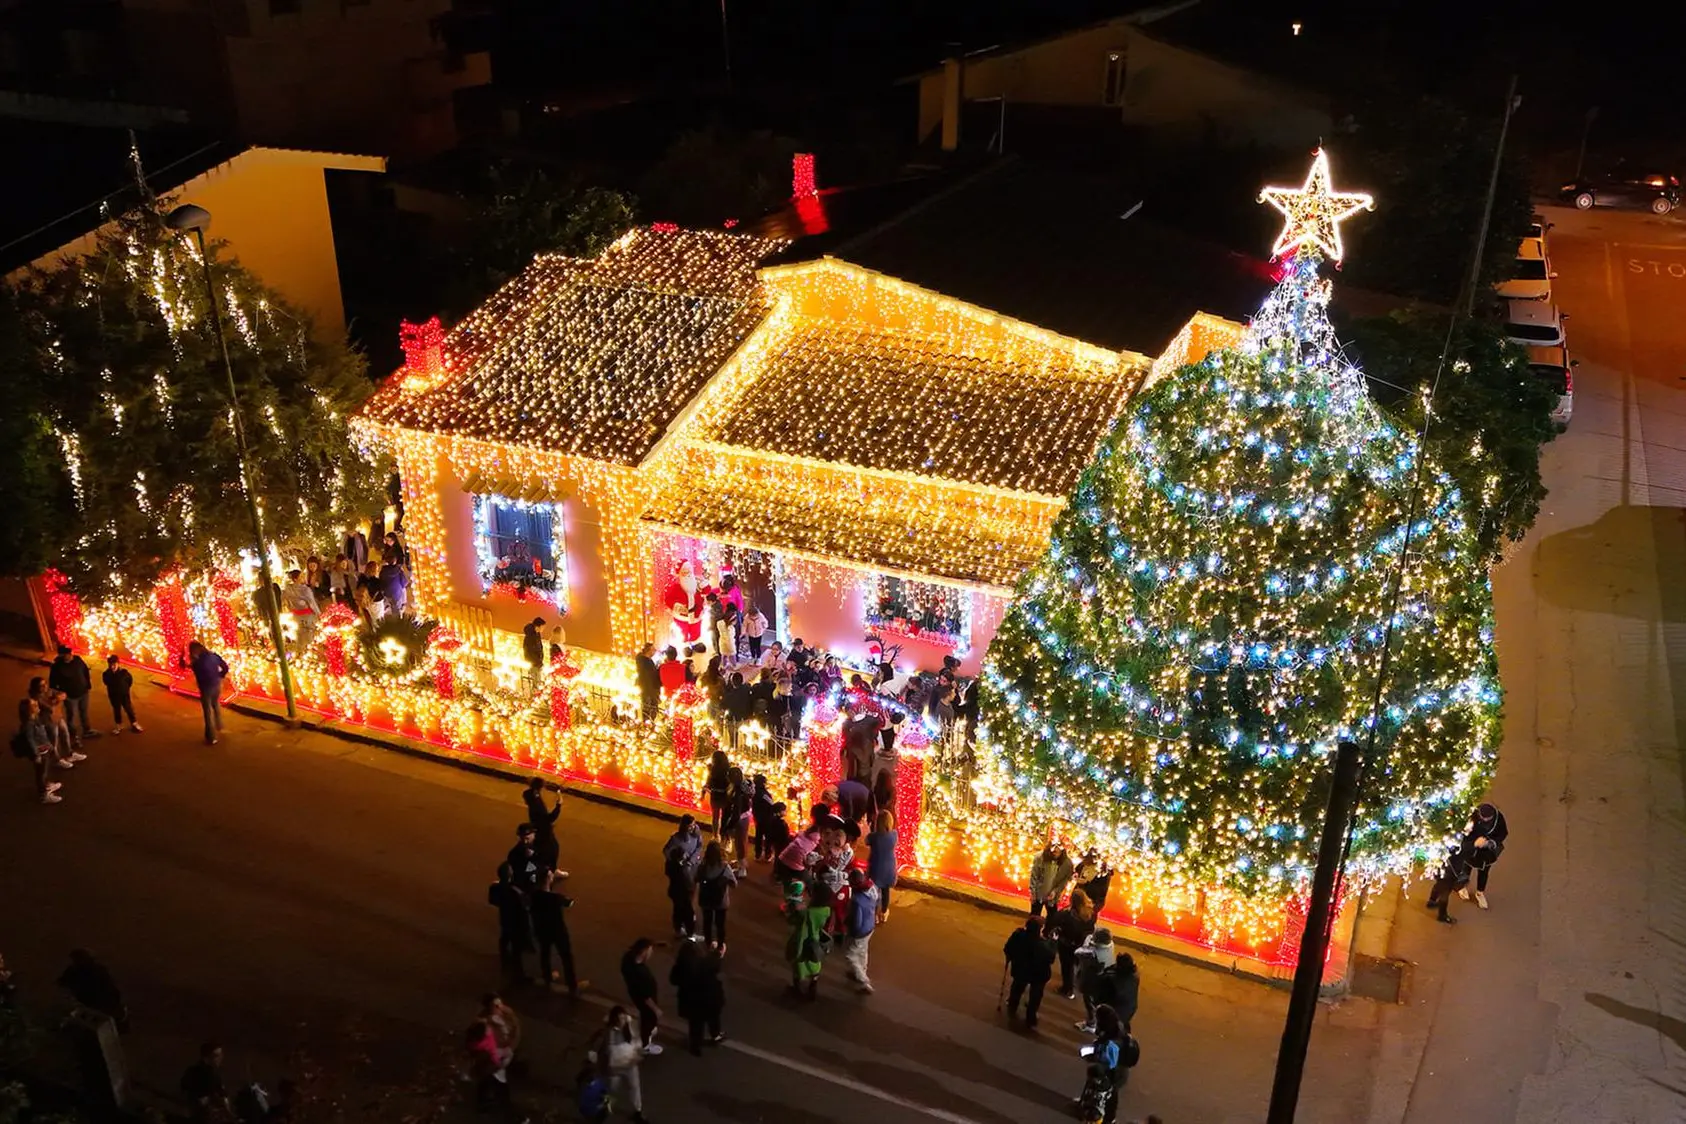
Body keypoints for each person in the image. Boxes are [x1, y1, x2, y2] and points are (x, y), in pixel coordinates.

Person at [588, 1007, 649, 1123]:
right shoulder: (609, 1031)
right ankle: (603, 1111)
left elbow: (637, 1044)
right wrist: (594, 1057)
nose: (622, 1021)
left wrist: (639, 1054)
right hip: (615, 1068)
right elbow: (601, 1045)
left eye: (623, 1018)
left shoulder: (631, 1029)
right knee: (612, 1090)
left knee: (635, 1088)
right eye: (619, 1018)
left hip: (630, 1065)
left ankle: (638, 1111)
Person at [669, 938, 726, 1055]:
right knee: (713, 1018)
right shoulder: (704, 963)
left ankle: (695, 1047)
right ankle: (716, 1036)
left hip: (691, 1001)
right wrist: (717, 952)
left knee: (695, 1026)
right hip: (710, 998)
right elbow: (716, 963)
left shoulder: (680, 967)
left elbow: (673, 980)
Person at [1003, 915, 1057, 1028]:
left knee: (1017, 988)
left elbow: (1008, 948)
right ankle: (1031, 1016)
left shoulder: (1018, 935)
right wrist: (1053, 942)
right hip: (1037, 975)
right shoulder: (1042, 945)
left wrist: (1011, 958)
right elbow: (1051, 958)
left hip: (1020, 970)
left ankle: (1013, 1005)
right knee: (1035, 995)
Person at [530, 869, 579, 995]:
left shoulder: (534, 896)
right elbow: (570, 903)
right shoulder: (555, 898)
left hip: (542, 930)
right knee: (566, 956)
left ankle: (547, 977)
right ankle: (572, 985)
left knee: (545, 953)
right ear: (548, 879)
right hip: (558, 931)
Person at [783, 881, 833, 1000]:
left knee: (799, 965)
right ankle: (812, 989)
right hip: (815, 941)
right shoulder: (826, 910)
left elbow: (791, 920)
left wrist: (794, 908)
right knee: (814, 965)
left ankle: (798, 990)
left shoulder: (806, 913)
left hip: (802, 941)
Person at [1456, 802, 1509, 910]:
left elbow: (1503, 833)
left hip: (1486, 852)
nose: (1485, 820)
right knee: (1466, 868)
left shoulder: (1498, 818)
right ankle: (1462, 887)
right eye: (1483, 818)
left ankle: (1480, 892)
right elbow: (1464, 836)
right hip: (1471, 850)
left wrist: (1491, 842)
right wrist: (1474, 843)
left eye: (1488, 818)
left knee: (1484, 872)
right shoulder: (1471, 817)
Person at [488, 862, 532, 983]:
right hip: (516, 922)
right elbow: (526, 906)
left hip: (505, 918)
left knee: (505, 938)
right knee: (516, 949)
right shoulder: (515, 891)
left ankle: (504, 956)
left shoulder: (495, 887)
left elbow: (493, 901)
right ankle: (519, 976)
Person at [619, 939, 664, 1055]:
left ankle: (646, 1034)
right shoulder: (641, 974)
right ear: (643, 951)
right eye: (650, 950)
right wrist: (656, 1010)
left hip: (635, 995)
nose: (651, 953)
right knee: (649, 1019)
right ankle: (646, 1045)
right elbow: (646, 997)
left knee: (646, 1015)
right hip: (645, 1000)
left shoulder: (628, 960)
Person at [1053, 888, 1097, 999]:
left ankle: (1067, 989)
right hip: (1080, 945)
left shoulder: (1069, 915)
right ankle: (1074, 984)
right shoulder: (1090, 912)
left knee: (1066, 967)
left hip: (1067, 945)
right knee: (1074, 965)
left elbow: (1057, 922)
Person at [662, 815, 703, 937]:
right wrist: (678, 861)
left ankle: (688, 918)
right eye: (690, 826)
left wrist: (692, 859)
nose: (692, 827)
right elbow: (666, 851)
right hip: (682, 873)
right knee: (681, 901)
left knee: (691, 894)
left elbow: (699, 846)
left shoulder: (696, 834)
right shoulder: (676, 839)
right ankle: (680, 926)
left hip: (693, 869)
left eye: (693, 825)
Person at [49, 645, 95, 746]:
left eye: (70, 654)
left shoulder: (77, 660)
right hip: (70, 697)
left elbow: (85, 671)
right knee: (72, 717)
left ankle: (87, 731)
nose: (70, 656)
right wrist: (59, 693)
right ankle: (74, 738)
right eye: (67, 655)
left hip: (83, 692)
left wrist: (88, 685)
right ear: (62, 655)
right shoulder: (57, 666)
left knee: (84, 712)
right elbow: (52, 683)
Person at [1075, 929, 1120, 1032]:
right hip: (1103, 979)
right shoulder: (1110, 945)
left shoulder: (1093, 954)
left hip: (1091, 982)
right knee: (1096, 1001)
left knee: (1089, 1002)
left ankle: (1092, 1023)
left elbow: (1078, 952)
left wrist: (1089, 942)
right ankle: (1096, 1020)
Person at [843, 868, 879, 994]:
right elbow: (878, 902)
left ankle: (863, 980)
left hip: (860, 930)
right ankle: (861, 970)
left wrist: (852, 931)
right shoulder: (872, 887)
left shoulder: (857, 900)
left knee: (850, 955)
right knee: (863, 952)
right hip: (870, 926)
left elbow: (856, 921)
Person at [695, 841, 737, 949]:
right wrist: (724, 881)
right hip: (721, 902)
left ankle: (708, 943)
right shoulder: (724, 867)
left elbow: (696, 879)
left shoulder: (703, 866)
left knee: (707, 922)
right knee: (720, 924)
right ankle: (720, 946)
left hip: (706, 900)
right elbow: (734, 884)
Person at [188, 641, 229, 745]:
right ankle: (219, 725)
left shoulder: (198, 663)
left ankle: (211, 736)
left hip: (206, 688)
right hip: (216, 684)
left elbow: (194, 669)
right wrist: (220, 675)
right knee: (215, 705)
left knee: (207, 711)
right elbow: (225, 667)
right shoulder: (213, 656)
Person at [181, 1042, 230, 1123]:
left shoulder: (213, 1073)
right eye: (216, 1056)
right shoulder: (197, 1073)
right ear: (206, 1057)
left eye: (221, 1055)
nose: (220, 1059)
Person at [522, 777, 563, 871]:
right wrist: (559, 805)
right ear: (540, 788)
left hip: (536, 827)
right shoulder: (537, 805)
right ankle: (547, 871)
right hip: (543, 830)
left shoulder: (529, 793)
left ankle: (541, 869)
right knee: (552, 850)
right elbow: (550, 818)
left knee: (543, 850)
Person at [865, 810, 898, 923]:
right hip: (889, 867)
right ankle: (884, 912)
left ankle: (874, 914)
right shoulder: (894, 835)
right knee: (885, 891)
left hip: (876, 866)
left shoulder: (874, 837)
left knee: (874, 891)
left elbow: (866, 841)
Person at [1029, 840, 1075, 916]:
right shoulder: (1040, 858)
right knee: (1034, 916)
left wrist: (1056, 891)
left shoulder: (1067, 863)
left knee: (1052, 917)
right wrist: (1033, 892)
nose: (1055, 852)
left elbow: (1064, 880)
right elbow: (1034, 875)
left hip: (1053, 897)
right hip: (1038, 893)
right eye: (1054, 851)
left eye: (1058, 851)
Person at [102, 654, 142, 734]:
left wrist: (125, 690)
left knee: (129, 709)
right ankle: (119, 725)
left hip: (124, 695)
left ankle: (134, 723)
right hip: (114, 696)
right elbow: (106, 682)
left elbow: (130, 681)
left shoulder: (124, 673)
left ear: (118, 664)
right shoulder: (106, 674)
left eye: (114, 665)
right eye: (110, 665)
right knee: (116, 710)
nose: (112, 667)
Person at [507, 823, 545, 894]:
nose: (525, 841)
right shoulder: (514, 853)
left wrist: (534, 856)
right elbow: (517, 872)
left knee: (549, 874)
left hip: (539, 872)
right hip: (526, 880)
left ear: (534, 834)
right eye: (522, 839)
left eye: (527, 838)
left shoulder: (541, 845)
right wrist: (529, 859)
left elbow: (546, 861)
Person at [704, 750, 731, 837]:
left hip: (715, 795)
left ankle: (715, 835)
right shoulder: (728, 769)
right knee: (725, 817)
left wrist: (706, 790)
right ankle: (725, 836)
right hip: (725, 796)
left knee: (715, 817)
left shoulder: (712, 769)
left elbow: (708, 783)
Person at [635, 644, 661, 721]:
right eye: (653, 649)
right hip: (649, 691)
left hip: (648, 690)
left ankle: (647, 726)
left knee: (648, 711)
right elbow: (650, 677)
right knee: (649, 711)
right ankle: (648, 726)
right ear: (648, 651)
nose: (655, 651)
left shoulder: (644, 661)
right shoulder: (646, 663)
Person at [522, 618, 545, 693]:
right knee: (536, 683)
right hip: (534, 663)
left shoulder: (537, 634)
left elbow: (539, 647)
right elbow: (529, 651)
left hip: (538, 662)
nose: (543, 629)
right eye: (542, 627)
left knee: (538, 681)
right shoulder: (530, 637)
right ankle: (535, 698)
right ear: (537, 626)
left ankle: (536, 697)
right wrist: (537, 661)